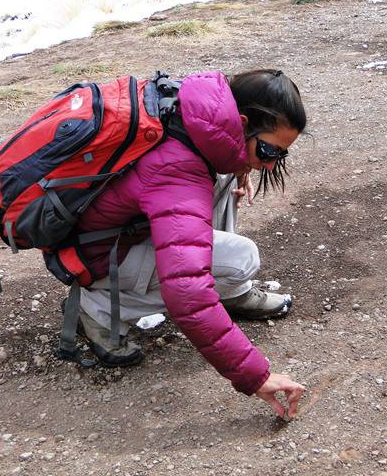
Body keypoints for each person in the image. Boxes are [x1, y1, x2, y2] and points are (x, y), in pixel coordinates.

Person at [75, 69, 306, 419]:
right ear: (242, 123)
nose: (271, 163)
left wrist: (241, 163)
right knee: (242, 258)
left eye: (281, 155)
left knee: (226, 178)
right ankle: (99, 307)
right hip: (98, 255)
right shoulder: (178, 170)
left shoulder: (194, 115)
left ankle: (228, 291)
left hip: (112, 229)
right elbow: (188, 293)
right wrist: (256, 376)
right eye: (268, 150)